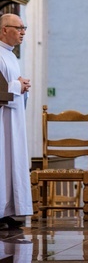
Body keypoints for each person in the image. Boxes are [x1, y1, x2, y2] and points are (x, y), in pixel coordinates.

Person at [0, 14, 32, 230]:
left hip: (13, 118)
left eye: (24, 28)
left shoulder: (11, 56)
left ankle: (8, 211)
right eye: (19, 28)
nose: (23, 32)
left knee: (12, 163)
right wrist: (17, 86)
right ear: (4, 29)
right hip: (2, 119)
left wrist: (22, 86)